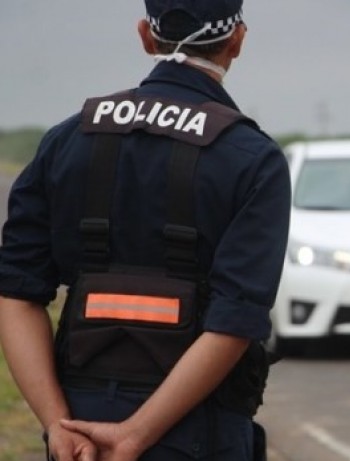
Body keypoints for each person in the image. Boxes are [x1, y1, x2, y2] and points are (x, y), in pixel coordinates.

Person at [0, 1, 291, 460]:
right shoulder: (252, 158)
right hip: (196, 430)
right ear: (237, 40)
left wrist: (57, 425)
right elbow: (234, 321)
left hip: (79, 435)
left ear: (145, 36)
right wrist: (136, 434)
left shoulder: (67, 140)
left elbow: (16, 292)